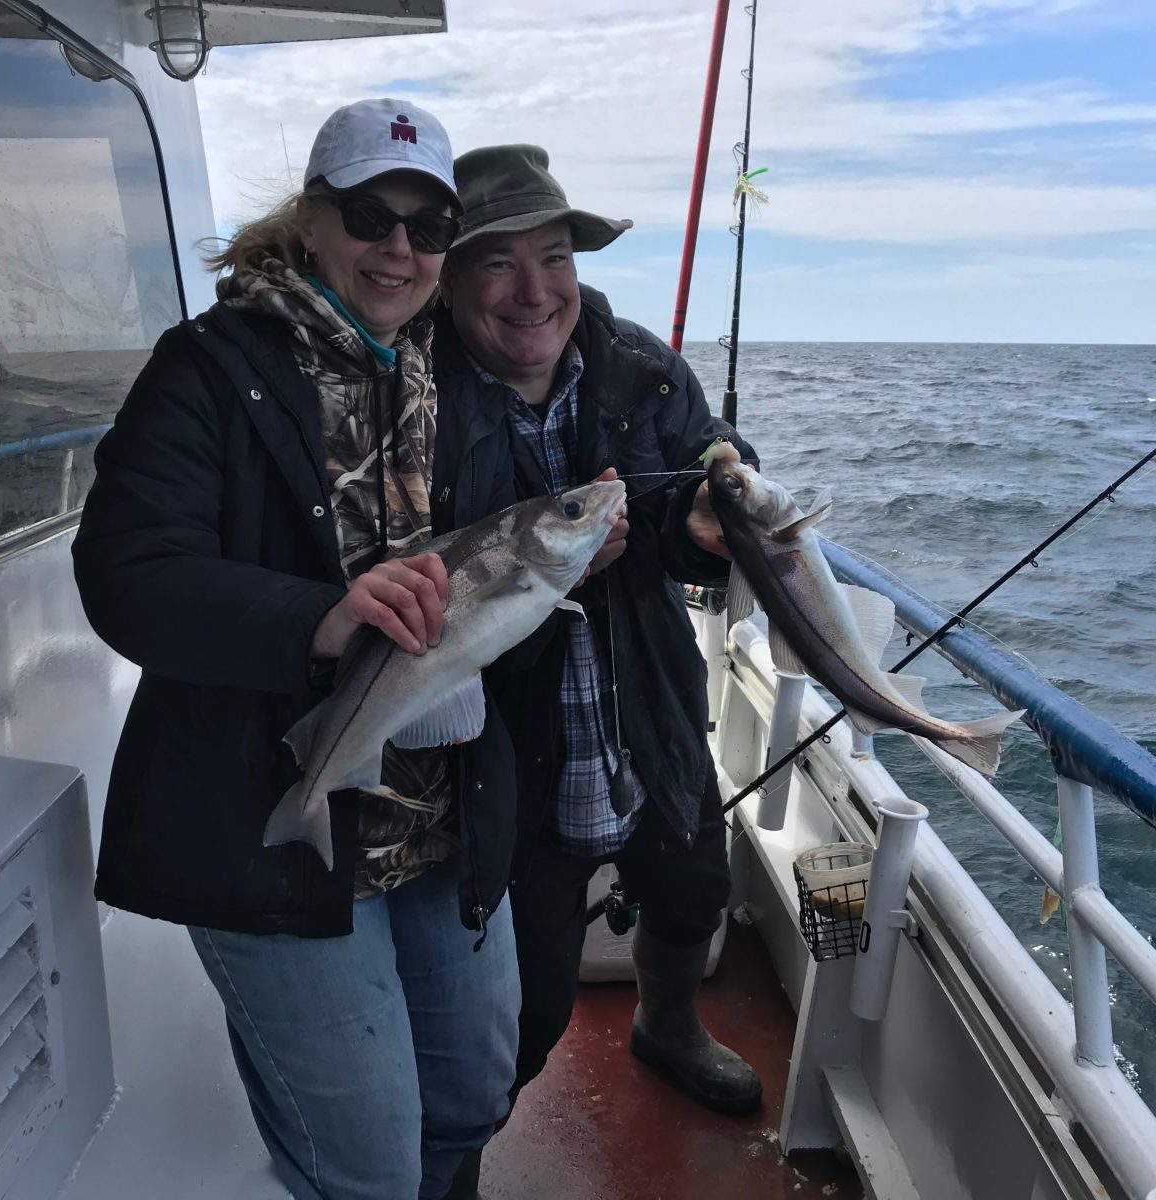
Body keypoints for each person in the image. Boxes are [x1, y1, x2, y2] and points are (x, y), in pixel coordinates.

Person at [71, 99, 521, 1200]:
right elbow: (128, 573)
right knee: (359, 1164)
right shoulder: (211, 369)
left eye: (429, 226)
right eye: (372, 215)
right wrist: (319, 618)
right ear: (313, 220)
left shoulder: (446, 370)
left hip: (438, 815)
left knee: (470, 1095)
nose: (400, 249)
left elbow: (526, 496)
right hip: (267, 820)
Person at [430, 144, 763, 1195]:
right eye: (497, 264)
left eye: (554, 254)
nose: (536, 291)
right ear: (446, 277)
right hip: (504, 732)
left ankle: (667, 1026)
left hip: (644, 694)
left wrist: (708, 520)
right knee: (520, 1004)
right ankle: (466, 1142)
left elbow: (696, 472)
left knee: (691, 882)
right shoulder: (416, 393)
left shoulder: (642, 368)